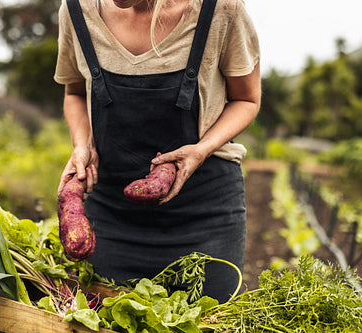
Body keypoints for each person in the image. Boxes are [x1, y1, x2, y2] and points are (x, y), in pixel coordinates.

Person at [54, 0, 260, 303]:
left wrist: (201, 149)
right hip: (112, 216)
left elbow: (247, 100)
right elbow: (74, 92)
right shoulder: (76, 10)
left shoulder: (221, 10)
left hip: (205, 215)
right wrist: (82, 145)